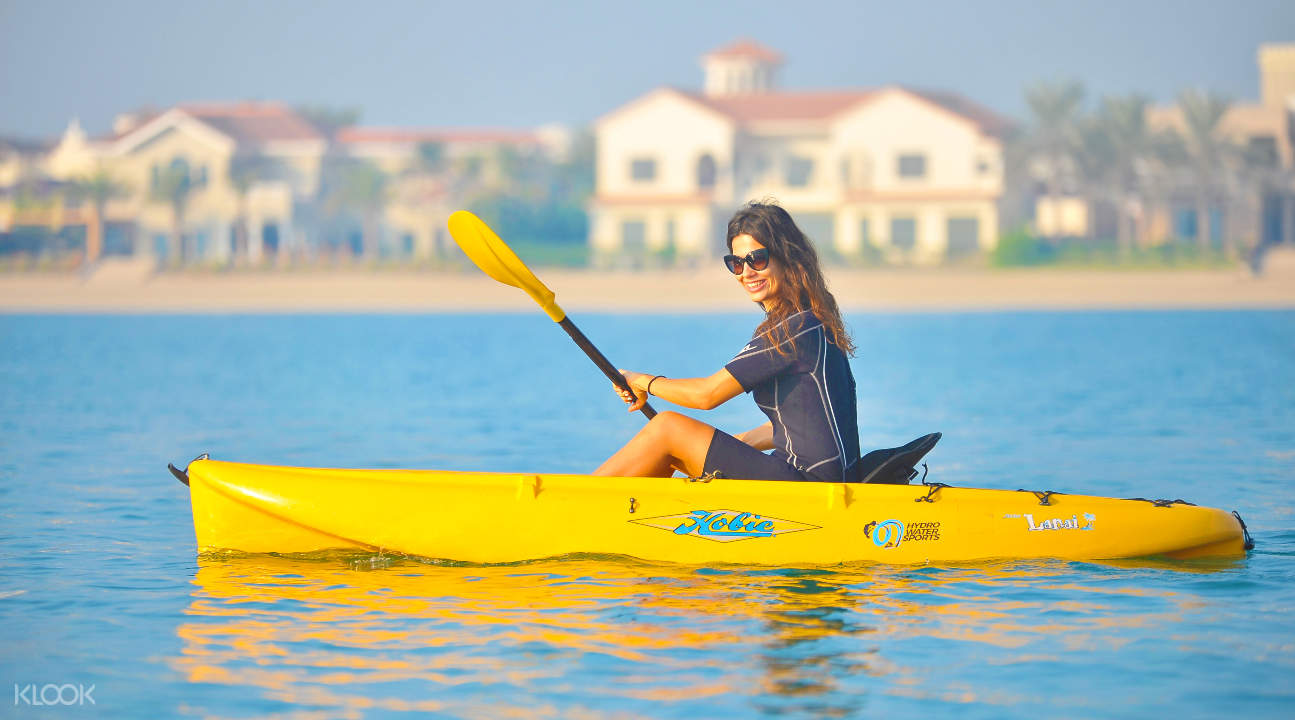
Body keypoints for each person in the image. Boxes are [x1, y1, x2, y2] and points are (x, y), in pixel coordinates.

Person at [594, 202, 860, 483]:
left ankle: (574, 504)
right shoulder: (812, 322)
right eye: (736, 263)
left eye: (757, 259)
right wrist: (725, 446)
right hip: (821, 479)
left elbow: (706, 395)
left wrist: (640, 380)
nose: (746, 272)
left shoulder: (794, 329)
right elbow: (797, 427)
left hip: (811, 488)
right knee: (677, 442)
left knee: (666, 427)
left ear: (787, 258)